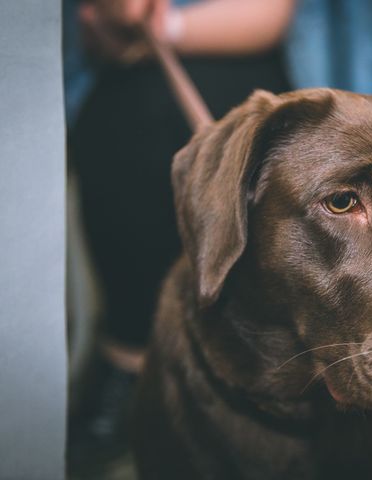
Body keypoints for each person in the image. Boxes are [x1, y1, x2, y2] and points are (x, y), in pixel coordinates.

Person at [65, 0, 296, 470]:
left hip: (240, 62)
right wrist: (107, 24)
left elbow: (270, 16)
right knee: (122, 125)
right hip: (124, 83)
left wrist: (166, 26)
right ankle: (128, 360)